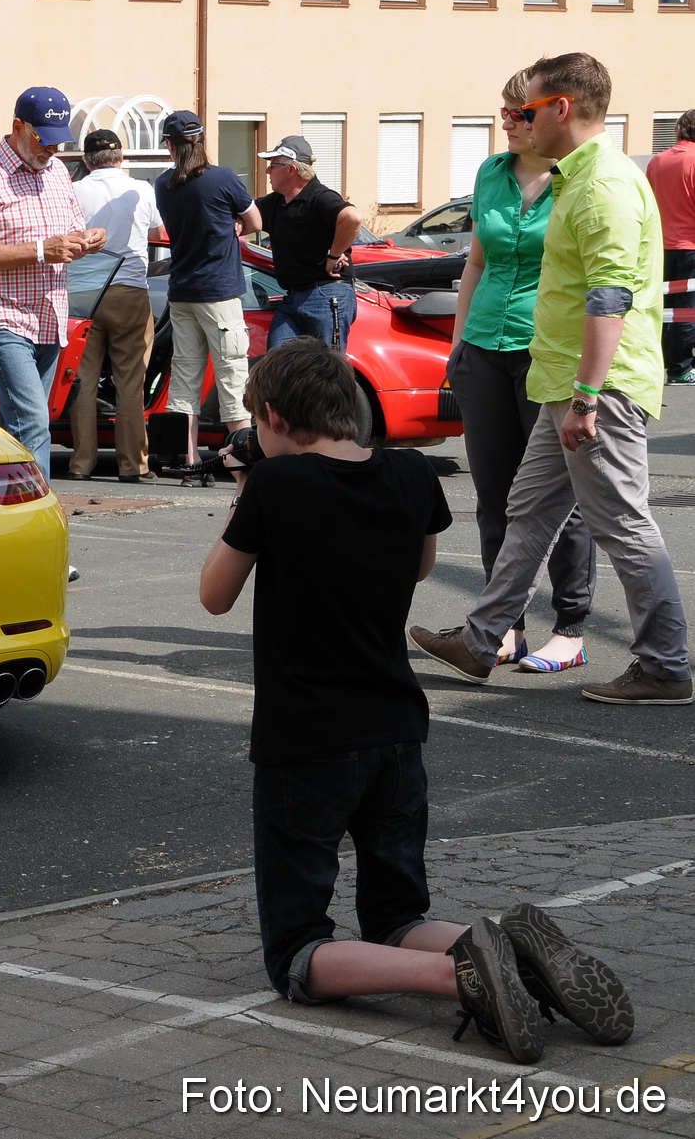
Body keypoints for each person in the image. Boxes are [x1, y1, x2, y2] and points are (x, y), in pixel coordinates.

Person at [200, 338, 632, 1065]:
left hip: (304, 741)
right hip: (396, 733)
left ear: (271, 416)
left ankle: (454, 972)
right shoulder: (408, 475)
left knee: (297, 949)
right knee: (398, 912)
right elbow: (421, 559)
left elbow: (214, 595)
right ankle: (509, 951)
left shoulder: (274, 490)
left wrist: (250, 487)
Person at [411, 52, 692, 705]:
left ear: (561, 108)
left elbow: (609, 296)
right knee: (527, 509)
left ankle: (663, 665)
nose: (517, 121)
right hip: (560, 382)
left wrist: (588, 397)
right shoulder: (575, 177)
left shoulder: (600, 186)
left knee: (620, 522)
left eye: (527, 110)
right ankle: (483, 639)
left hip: (596, 387)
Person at [447, 69, 594, 675]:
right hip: (484, 346)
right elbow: (476, 260)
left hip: (548, 354)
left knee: (561, 498)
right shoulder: (490, 174)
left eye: (516, 113)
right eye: (504, 113)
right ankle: (504, 626)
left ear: (548, 116)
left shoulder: (576, 183)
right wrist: (458, 344)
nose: (507, 122)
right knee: (494, 496)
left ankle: (572, 626)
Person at [0, 86, 107, 478]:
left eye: (58, 142)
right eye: (44, 140)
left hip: (48, 314)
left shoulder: (56, 172)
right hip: (3, 315)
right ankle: (40, 512)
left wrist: (88, 240)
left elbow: (67, 236)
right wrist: (41, 250)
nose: (52, 151)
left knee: (19, 423)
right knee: (33, 420)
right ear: (17, 127)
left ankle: (3, 508)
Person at [154, 110, 263, 438]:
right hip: (219, 292)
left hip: (182, 293)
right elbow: (256, 223)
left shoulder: (162, 185)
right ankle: (240, 464)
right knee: (232, 377)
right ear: (201, 141)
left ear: (170, 147)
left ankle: (187, 463)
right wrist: (235, 224)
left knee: (185, 379)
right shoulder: (223, 178)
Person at [67, 128, 163, 482]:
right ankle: (133, 465)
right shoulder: (142, 189)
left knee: (82, 382)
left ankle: (81, 463)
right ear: (121, 158)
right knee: (130, 382)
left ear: (86, 160)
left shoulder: (72, 190)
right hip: (129, 289)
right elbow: (156, 234)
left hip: (81, 294)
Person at [254, 135, 362, 352]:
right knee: (278, 367)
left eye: (272, 166)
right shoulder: (276, 202)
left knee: (325, 374)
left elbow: (353, 218)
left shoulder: (320, 197)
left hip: (326, 293)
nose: (267, 171)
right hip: (293, 298)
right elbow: (244, 215)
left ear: (291, 169)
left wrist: (334, 255)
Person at [645, 109, 695, 385]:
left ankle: (662, 363)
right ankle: (680, 368)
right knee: (687, 309)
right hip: (691, 244)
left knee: (664, 309)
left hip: (660, 244)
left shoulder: (657, 161)